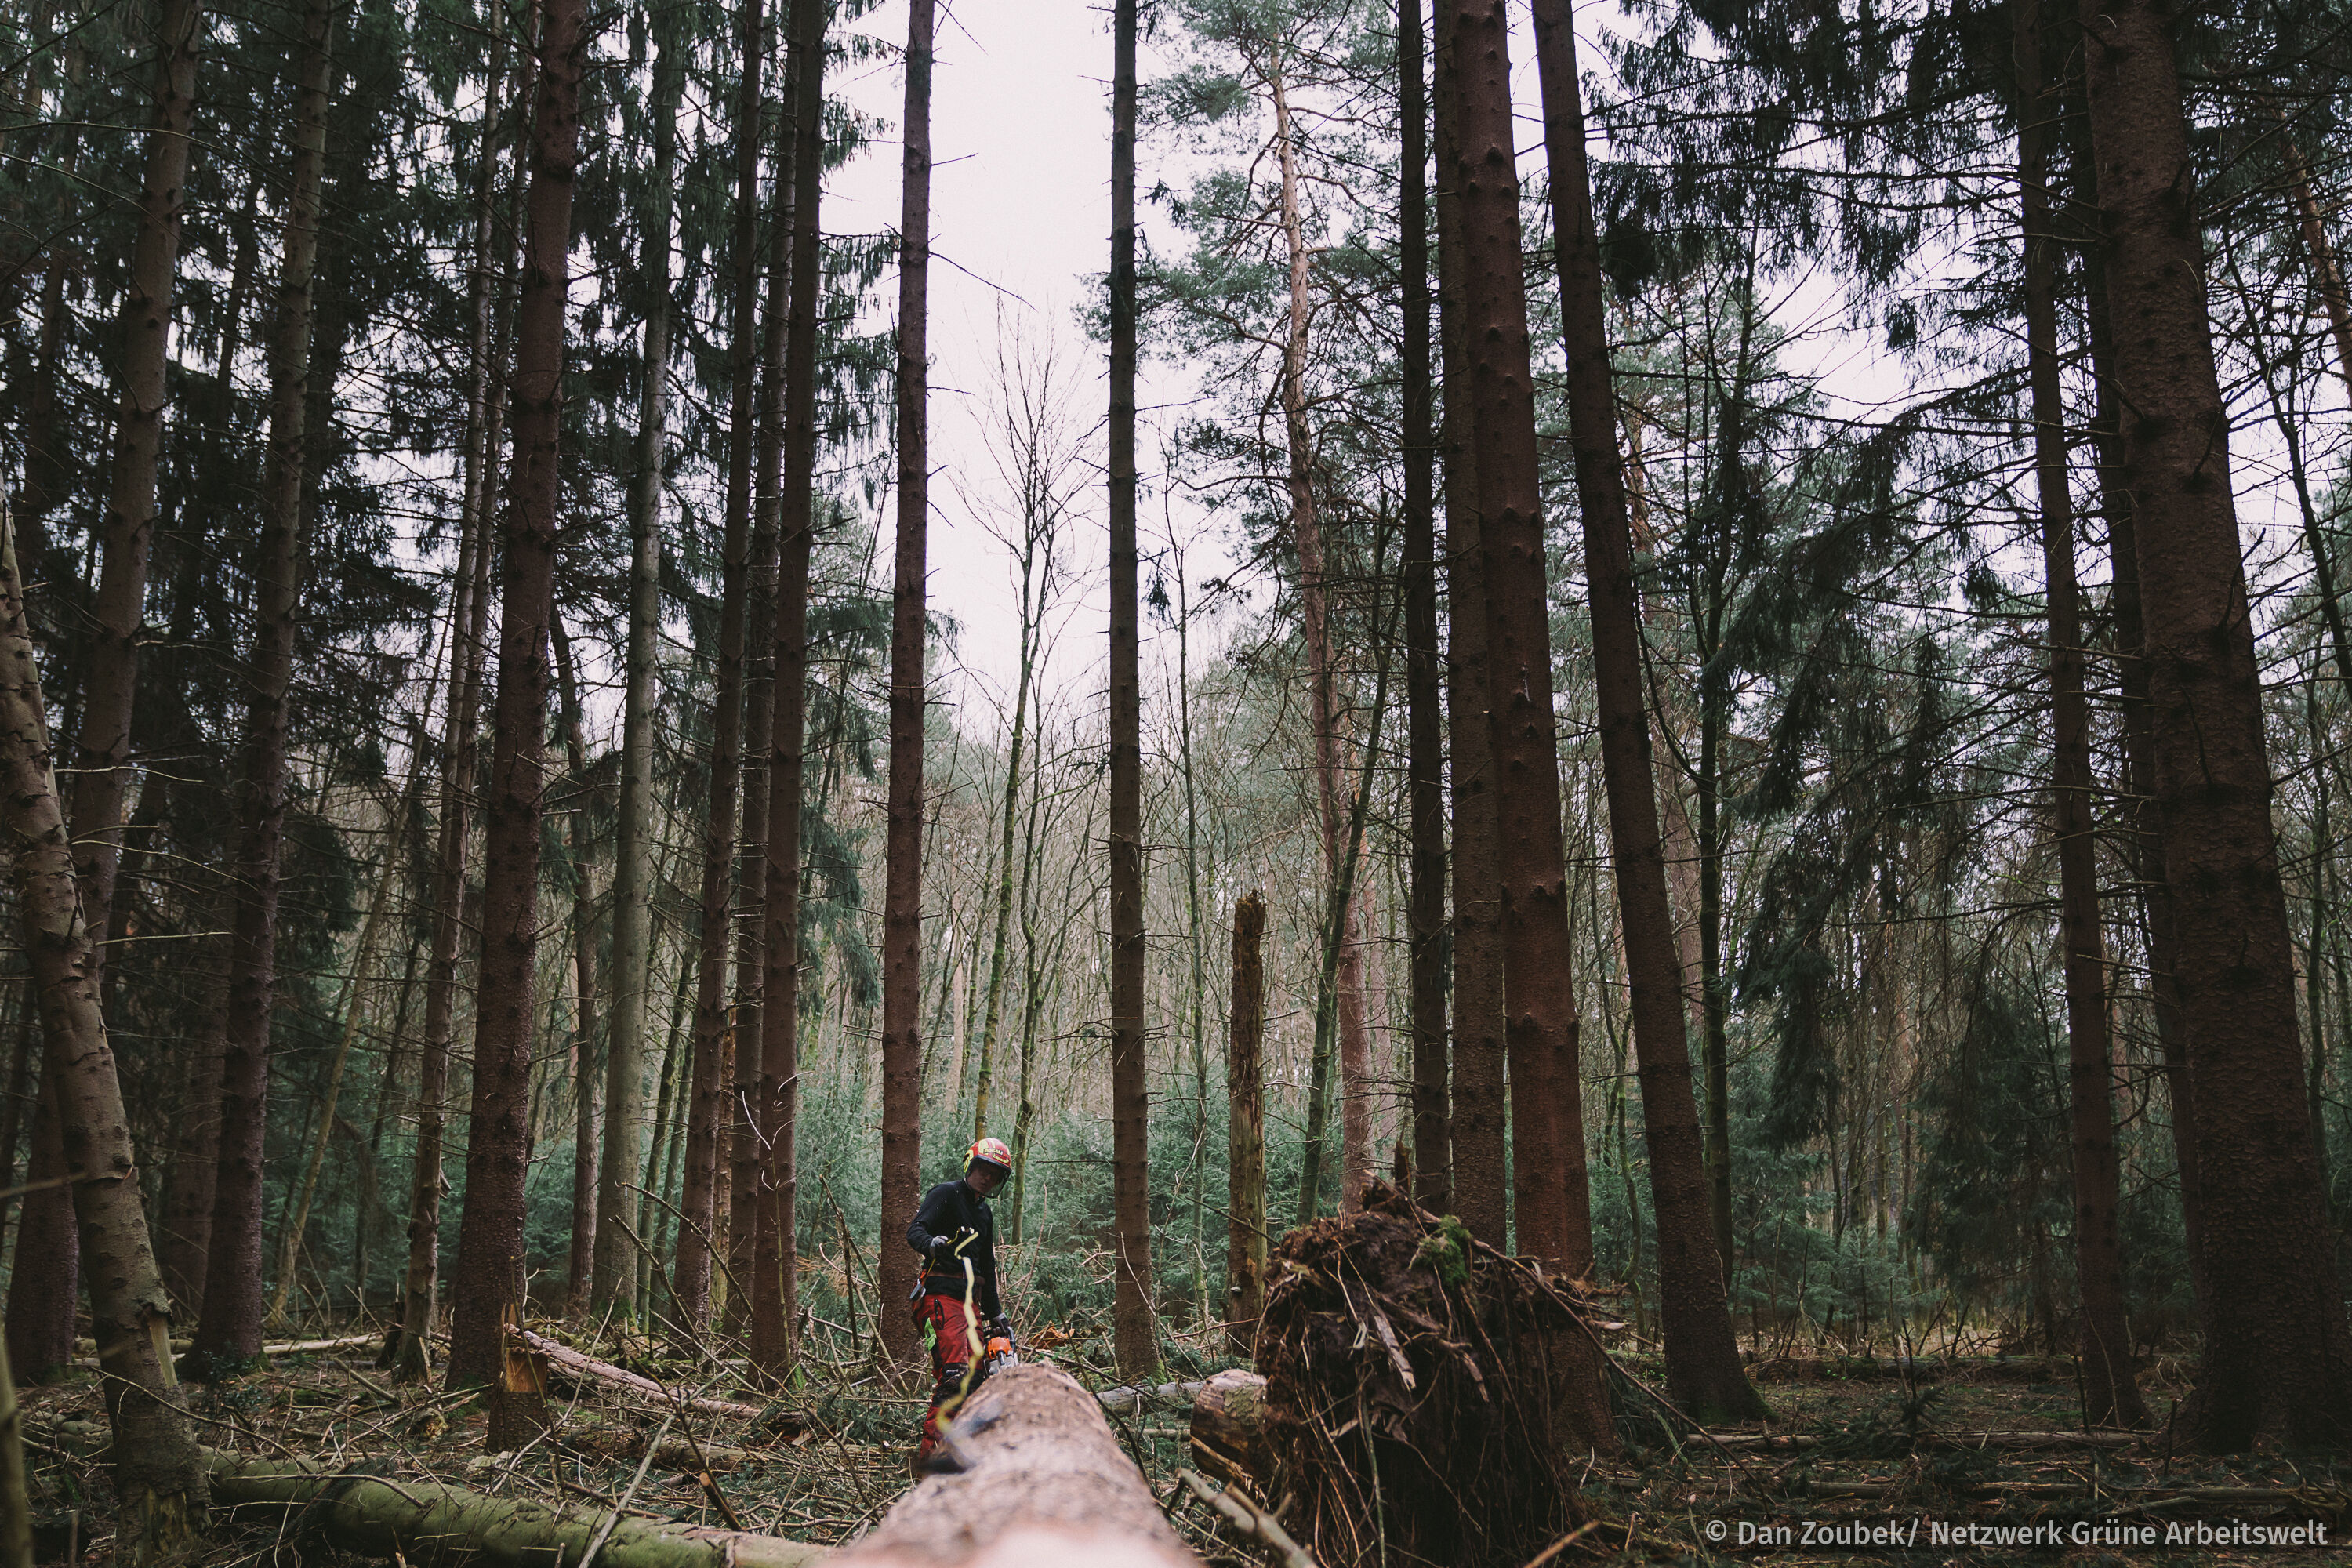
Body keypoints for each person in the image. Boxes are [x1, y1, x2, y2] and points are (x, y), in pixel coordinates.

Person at [906, 1136, 1014, 1470]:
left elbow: (987, 1266)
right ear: (971, 1165)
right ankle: (931, 1464)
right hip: (940, 1295)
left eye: (995, 1175)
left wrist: (996, 1313)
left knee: (978, 1379)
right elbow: (915, 1230)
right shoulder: (946, 1194)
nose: (987, 1178)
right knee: (955, 1377)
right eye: (984, 1170)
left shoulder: (984, 1213)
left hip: (970, 1303)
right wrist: (931, 1244)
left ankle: (963, 1457)